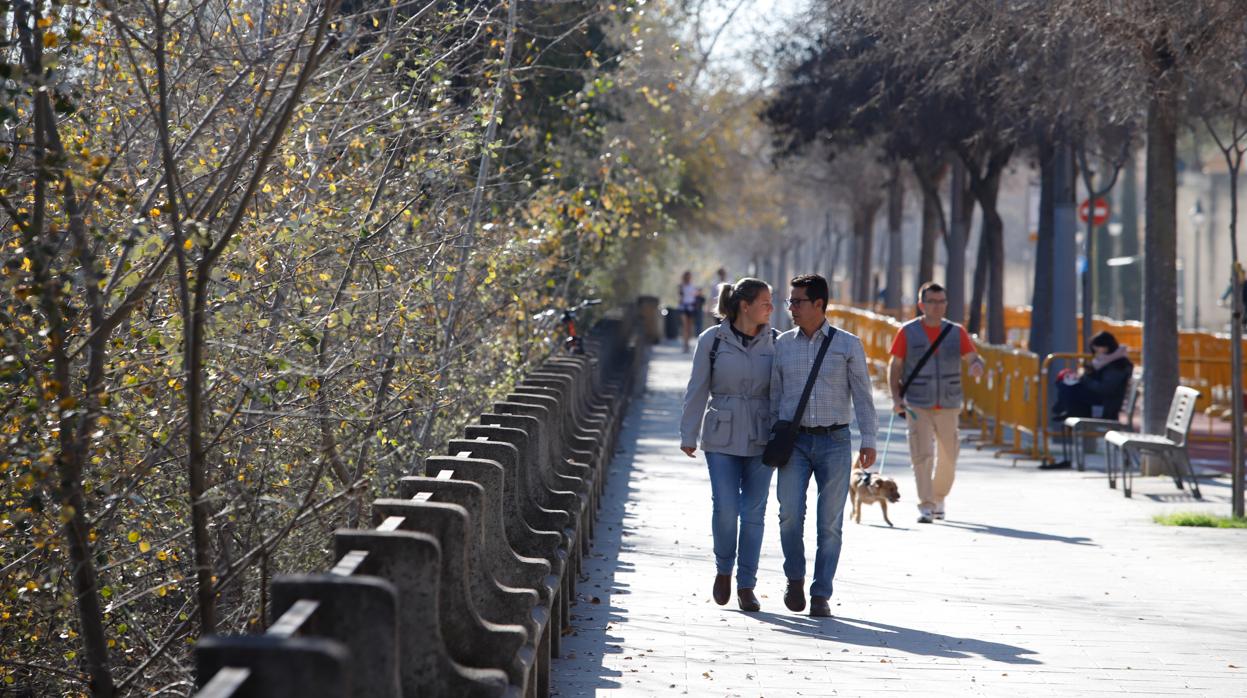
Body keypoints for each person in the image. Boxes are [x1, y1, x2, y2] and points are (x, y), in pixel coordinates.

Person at [771, 274, 877, 618]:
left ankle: (821, 593)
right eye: (790, 302)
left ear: (819, 304)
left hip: (835, 441)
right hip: (795, 442)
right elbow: (774, 395)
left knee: (829, 523)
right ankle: (795, 578)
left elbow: (863, 395)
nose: (791, 308)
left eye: (797, 301)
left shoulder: (848, 345)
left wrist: (869, 440)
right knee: (789, 514)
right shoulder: (783, 344)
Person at [680, 278, 777, 612]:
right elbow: (697, 388)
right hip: (721, 432)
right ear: (745, 306)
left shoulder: (777, 341)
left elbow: (784, 391)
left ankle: (746, 584)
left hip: (762, 435)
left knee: (753, 512)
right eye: (765, 302)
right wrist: (688, 433)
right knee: (726, 507)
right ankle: (724, 569)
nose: (772, 308)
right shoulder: (713, 339)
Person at [886, 282, 985, 524]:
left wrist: (977, 365)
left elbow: (973, 356)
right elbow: (895, 366)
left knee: (949, 455)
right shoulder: (907, 332)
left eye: (941, 302)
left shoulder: (956, 332)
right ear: (921, 305)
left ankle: (939, 496)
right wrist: (896, 398)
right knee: (922, 454)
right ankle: (927, 505)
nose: (938, 307)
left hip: (949, 403)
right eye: (932, 302)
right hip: (917, 403)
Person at [1050, 331, 1133, 422]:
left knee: (1068, 388)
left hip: (1106, 406)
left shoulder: (1118, 365)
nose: (1096, 354)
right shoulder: (1107, 362)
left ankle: (1066, 411)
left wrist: (1085, 379)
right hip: (1101, 400)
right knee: (1065, 384)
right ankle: (1066, 410)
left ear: (1106, 347)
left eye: (1097, 350)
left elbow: (1105, 388)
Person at [678, 270, 700, 353]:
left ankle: (688, 343)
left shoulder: (693, 286)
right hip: (683, 307)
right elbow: (680, 297)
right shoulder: (681, 286)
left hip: (691, 308)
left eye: (689, 276)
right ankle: (685, 345)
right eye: (686, 276)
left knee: (689, 327)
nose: (688, 278)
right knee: (685, 326)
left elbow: (695, 297)